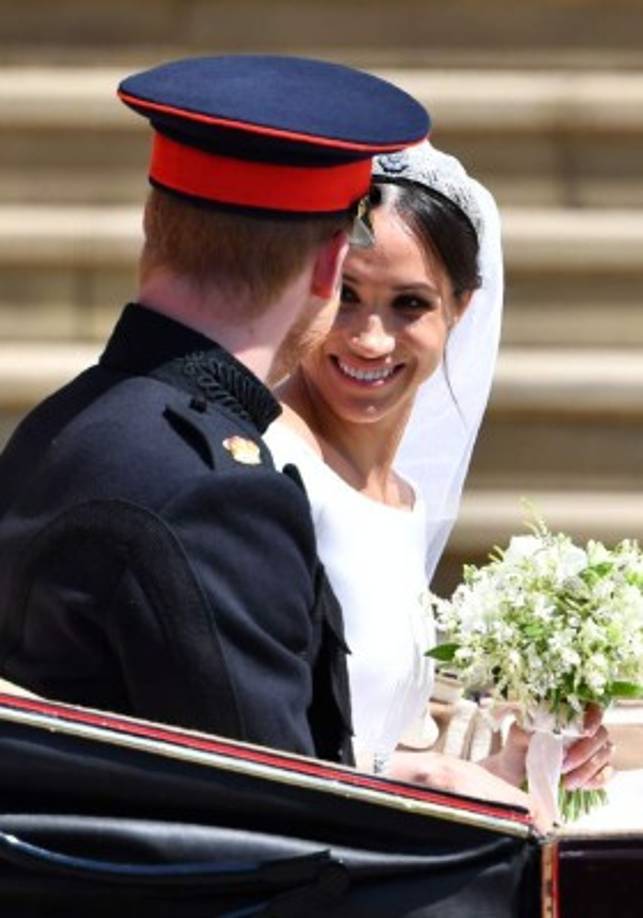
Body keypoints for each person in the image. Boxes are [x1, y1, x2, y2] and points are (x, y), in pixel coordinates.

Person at [0, 55, 429, 765]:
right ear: (330, 266)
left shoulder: (63, 423)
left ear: (151, 223)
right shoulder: (215, 494)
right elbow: (275, 826)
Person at [266, 140, 612, 811]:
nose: (370, 338)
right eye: (345, 295)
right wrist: (425, 779)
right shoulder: (263, 462)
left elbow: (369, 737)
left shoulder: (405, 500)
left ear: (460, 308)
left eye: (410, 305)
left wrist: (510, 766)